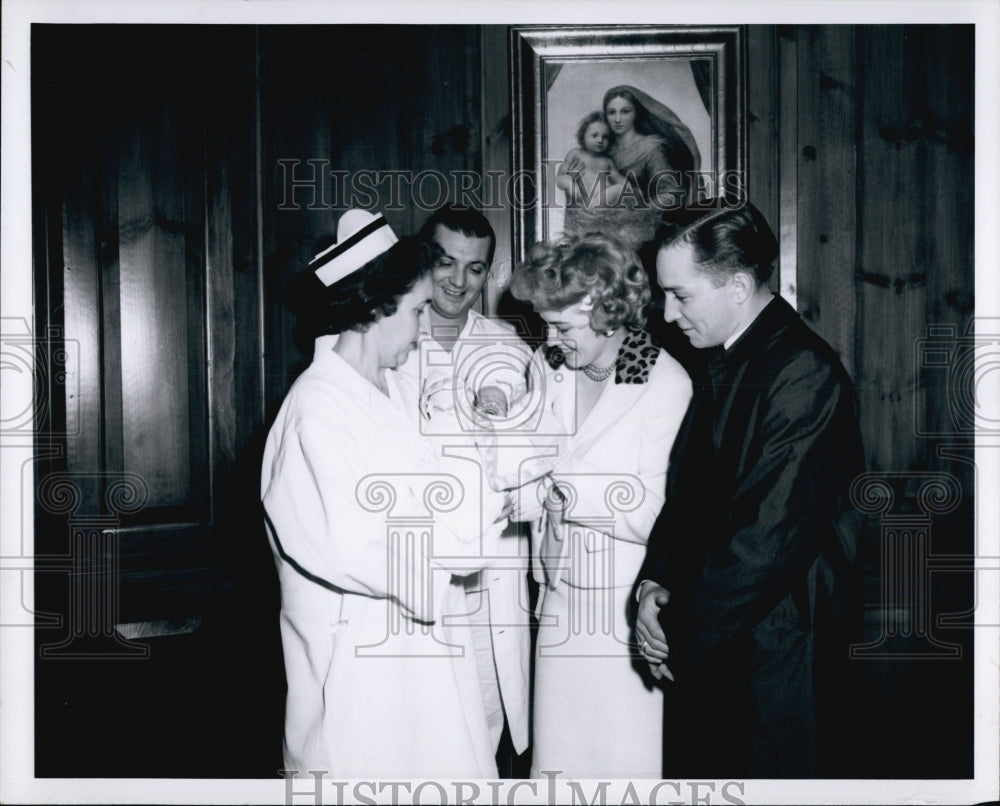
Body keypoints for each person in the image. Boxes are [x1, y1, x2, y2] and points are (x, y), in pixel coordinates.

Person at [261, 209, 502, 778]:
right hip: (359, 687)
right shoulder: (316, 410)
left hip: (423, 671)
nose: (424, 328)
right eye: (418, 310)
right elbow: (359, 546)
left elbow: (435, 498)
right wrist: (469, 528)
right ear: (377, 308)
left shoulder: (384, 393)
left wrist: (480, 500)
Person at [632, 202, 865, 778]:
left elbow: (766, 539)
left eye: (680, 295)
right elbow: (684, 497)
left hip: (775, 657)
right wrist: (654, 584)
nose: (666, 314)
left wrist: (674, 629)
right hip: (721, 638)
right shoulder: (728, 359)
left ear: (737, 286)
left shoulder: (802, 373)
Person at [508, 232, 693, 778]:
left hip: (624, 615)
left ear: (609, 310)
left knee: (624, 767)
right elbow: (524, 466)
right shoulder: (549, 367)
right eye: (545, 322)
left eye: (562, 326)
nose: (550, 338)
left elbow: (660, 510)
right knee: (559, 771)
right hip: (561, 599)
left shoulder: (662, 380)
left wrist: (565, 488)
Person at [397, 204, 535, 773]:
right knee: (422, 736)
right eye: (445, 262)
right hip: (415, 574)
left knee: (489, 725)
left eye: (475, 269)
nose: (458, 281)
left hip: (493, 573)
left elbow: (535, 466)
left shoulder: (510, 347)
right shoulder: (389, 344)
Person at [562, 86, 701, 254]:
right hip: (597, 229)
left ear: (637, 113)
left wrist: (639, 212)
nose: (618, 119)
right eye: (612, 112)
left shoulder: (652, 148)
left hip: (637, 233)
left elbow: (671, 193)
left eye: (625, 111)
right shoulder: (602, 148)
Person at [556, 112, 626, 209]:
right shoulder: (575, 154)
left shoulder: (607, 161)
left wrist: (631, 188)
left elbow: (618, 178)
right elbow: (560, 178)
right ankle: (592, 206)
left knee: (619, 189)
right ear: (583, 136)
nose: (600, 140)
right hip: (581, 198)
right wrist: (570, 183)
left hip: (602, 200)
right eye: (594, 135)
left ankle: (596, 206)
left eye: (605, 137)